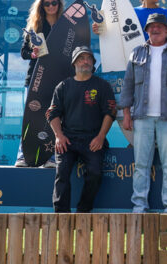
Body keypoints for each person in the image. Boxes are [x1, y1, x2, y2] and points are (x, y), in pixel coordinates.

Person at [119, 13, 167, 214]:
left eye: (160, 26)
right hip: (142, 119)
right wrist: (126, 113)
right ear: (146, 30)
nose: (155, 29)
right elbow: (127, 85)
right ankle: (139, 205)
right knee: (141, 165)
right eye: (152, 26)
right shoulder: (136, 53)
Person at [46, 46, 116, 213]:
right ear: (74, 63)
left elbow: (110, 112)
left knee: (95, 173)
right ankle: (61, 215)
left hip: (93, 139)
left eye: (89, 58)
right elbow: (52, 113)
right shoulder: (63, 86)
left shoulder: (103, 86)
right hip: (67, 139)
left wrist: (100, 137)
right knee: (62, 174)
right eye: (81, 58)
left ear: (93, 63)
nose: (85, 61)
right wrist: (58, 136)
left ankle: (83, 211)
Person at [15, 0, 64, 168]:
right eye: (47, 3)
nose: (50, 6)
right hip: (36, 78)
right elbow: (23, 53)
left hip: (58, 79)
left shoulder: (64, 26)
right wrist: (33, 54)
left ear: (59, 5)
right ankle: (23, 156)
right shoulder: (35, 26)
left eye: (54, 3)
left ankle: (51, 158)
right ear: (41, 6)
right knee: (32, 117)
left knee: (55, 117)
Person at [92, 0, 167, 37]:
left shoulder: (164, 12)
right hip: (137, 55)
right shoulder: (132, 12)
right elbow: (119, 33)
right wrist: (100, 30)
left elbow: (164, 37)